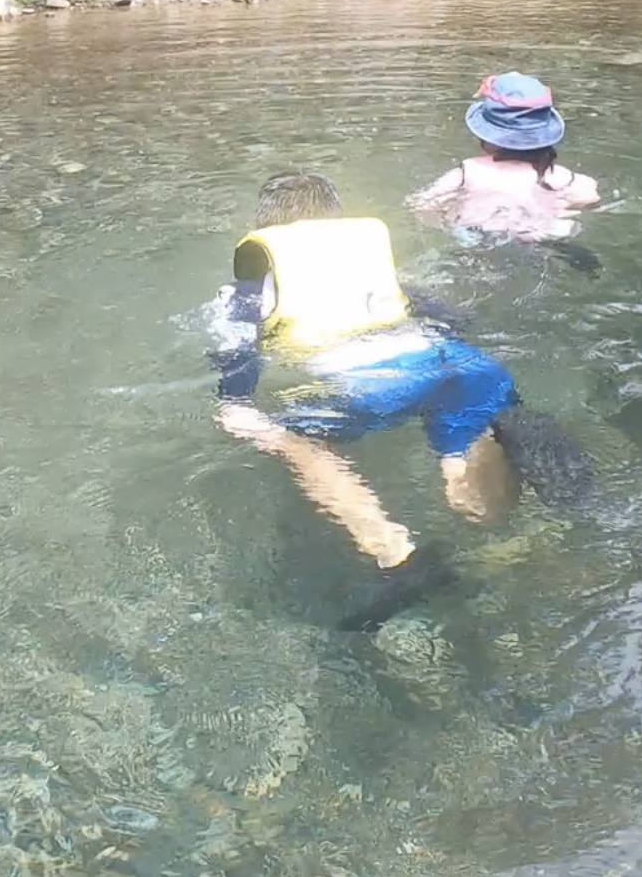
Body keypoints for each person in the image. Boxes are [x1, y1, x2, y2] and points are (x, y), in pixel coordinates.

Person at [208, 172, 527, 629]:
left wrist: (234, 400)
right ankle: (504, 548)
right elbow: (451, 317)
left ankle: (400, 557)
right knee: (468, 489)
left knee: (294, 440)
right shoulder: (377, 271)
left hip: (374, 384)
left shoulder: (253, 285)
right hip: (462, 365)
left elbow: (238, 343)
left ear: (266, 228)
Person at [408, 72, 602, 246]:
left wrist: (447, 220)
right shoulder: (561, 177)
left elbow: (421, 205)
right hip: (539, 234)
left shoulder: (468, 171)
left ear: (485, 134)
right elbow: (590, 198)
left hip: (478, 234)